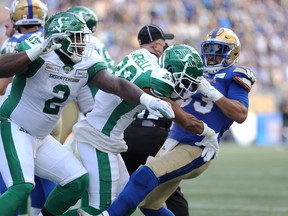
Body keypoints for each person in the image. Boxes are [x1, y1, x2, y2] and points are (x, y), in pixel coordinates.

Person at [0, 11, 174, 216]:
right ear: (60, 38)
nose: (82, 43)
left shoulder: (86, 60)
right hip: (13, 124)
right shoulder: (37, 49)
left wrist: (147, 99)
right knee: (22, 185)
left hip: (40, 136)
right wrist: (37, 51)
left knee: (76, 181)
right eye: (77, 37)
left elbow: (115, 84)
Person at [92, 27, 256, 216]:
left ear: (231, 53)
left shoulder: (235, 73)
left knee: (146, 174)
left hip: (198, 145)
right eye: (209, 49)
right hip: (173, 138)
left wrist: (212, 92)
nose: (211, 56)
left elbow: (240, 114)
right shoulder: (196, 69)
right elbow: (172, 98)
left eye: (217, 51)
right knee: (149, 203)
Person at [69, 25, 218, 216]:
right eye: (186, 80)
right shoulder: (159, 80)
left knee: (128, 199)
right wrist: (208, 132)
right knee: (100, 208)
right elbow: (186, 121)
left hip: (111, 136)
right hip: (99, 138)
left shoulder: (142, 55)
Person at [0, 1, 58, 216]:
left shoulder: (14, 43)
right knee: (45, 173)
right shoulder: (50, 38)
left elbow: (1, 85)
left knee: (12, 175)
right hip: (50, 114)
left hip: (18, 115)